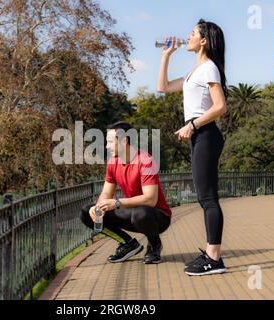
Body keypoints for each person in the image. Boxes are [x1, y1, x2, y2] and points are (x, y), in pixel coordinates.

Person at [157, 19, 228, 276]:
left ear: (204, 41)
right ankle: (211, 256)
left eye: (192, 34)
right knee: (204, 197)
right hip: (200, 134)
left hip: (206, 134)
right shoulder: (194, 71)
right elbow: (162, 87)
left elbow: (220, 106)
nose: (187, 37)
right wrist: (166, 55)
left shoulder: (209, 68)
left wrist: (193, 126)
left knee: (208, 198)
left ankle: (214, 258)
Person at [80, 121, 172, 264]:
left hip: (157, 216)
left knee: (140, 213)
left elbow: (150, 200)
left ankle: (154, 244)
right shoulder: (113, 162)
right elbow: (106, 193)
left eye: (110, 142)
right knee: (87, 212)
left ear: (124, 141)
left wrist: (116, 203)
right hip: (132, 213)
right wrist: (98, 206)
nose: (106, 146)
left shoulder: (146, 160)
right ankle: (128, 243)